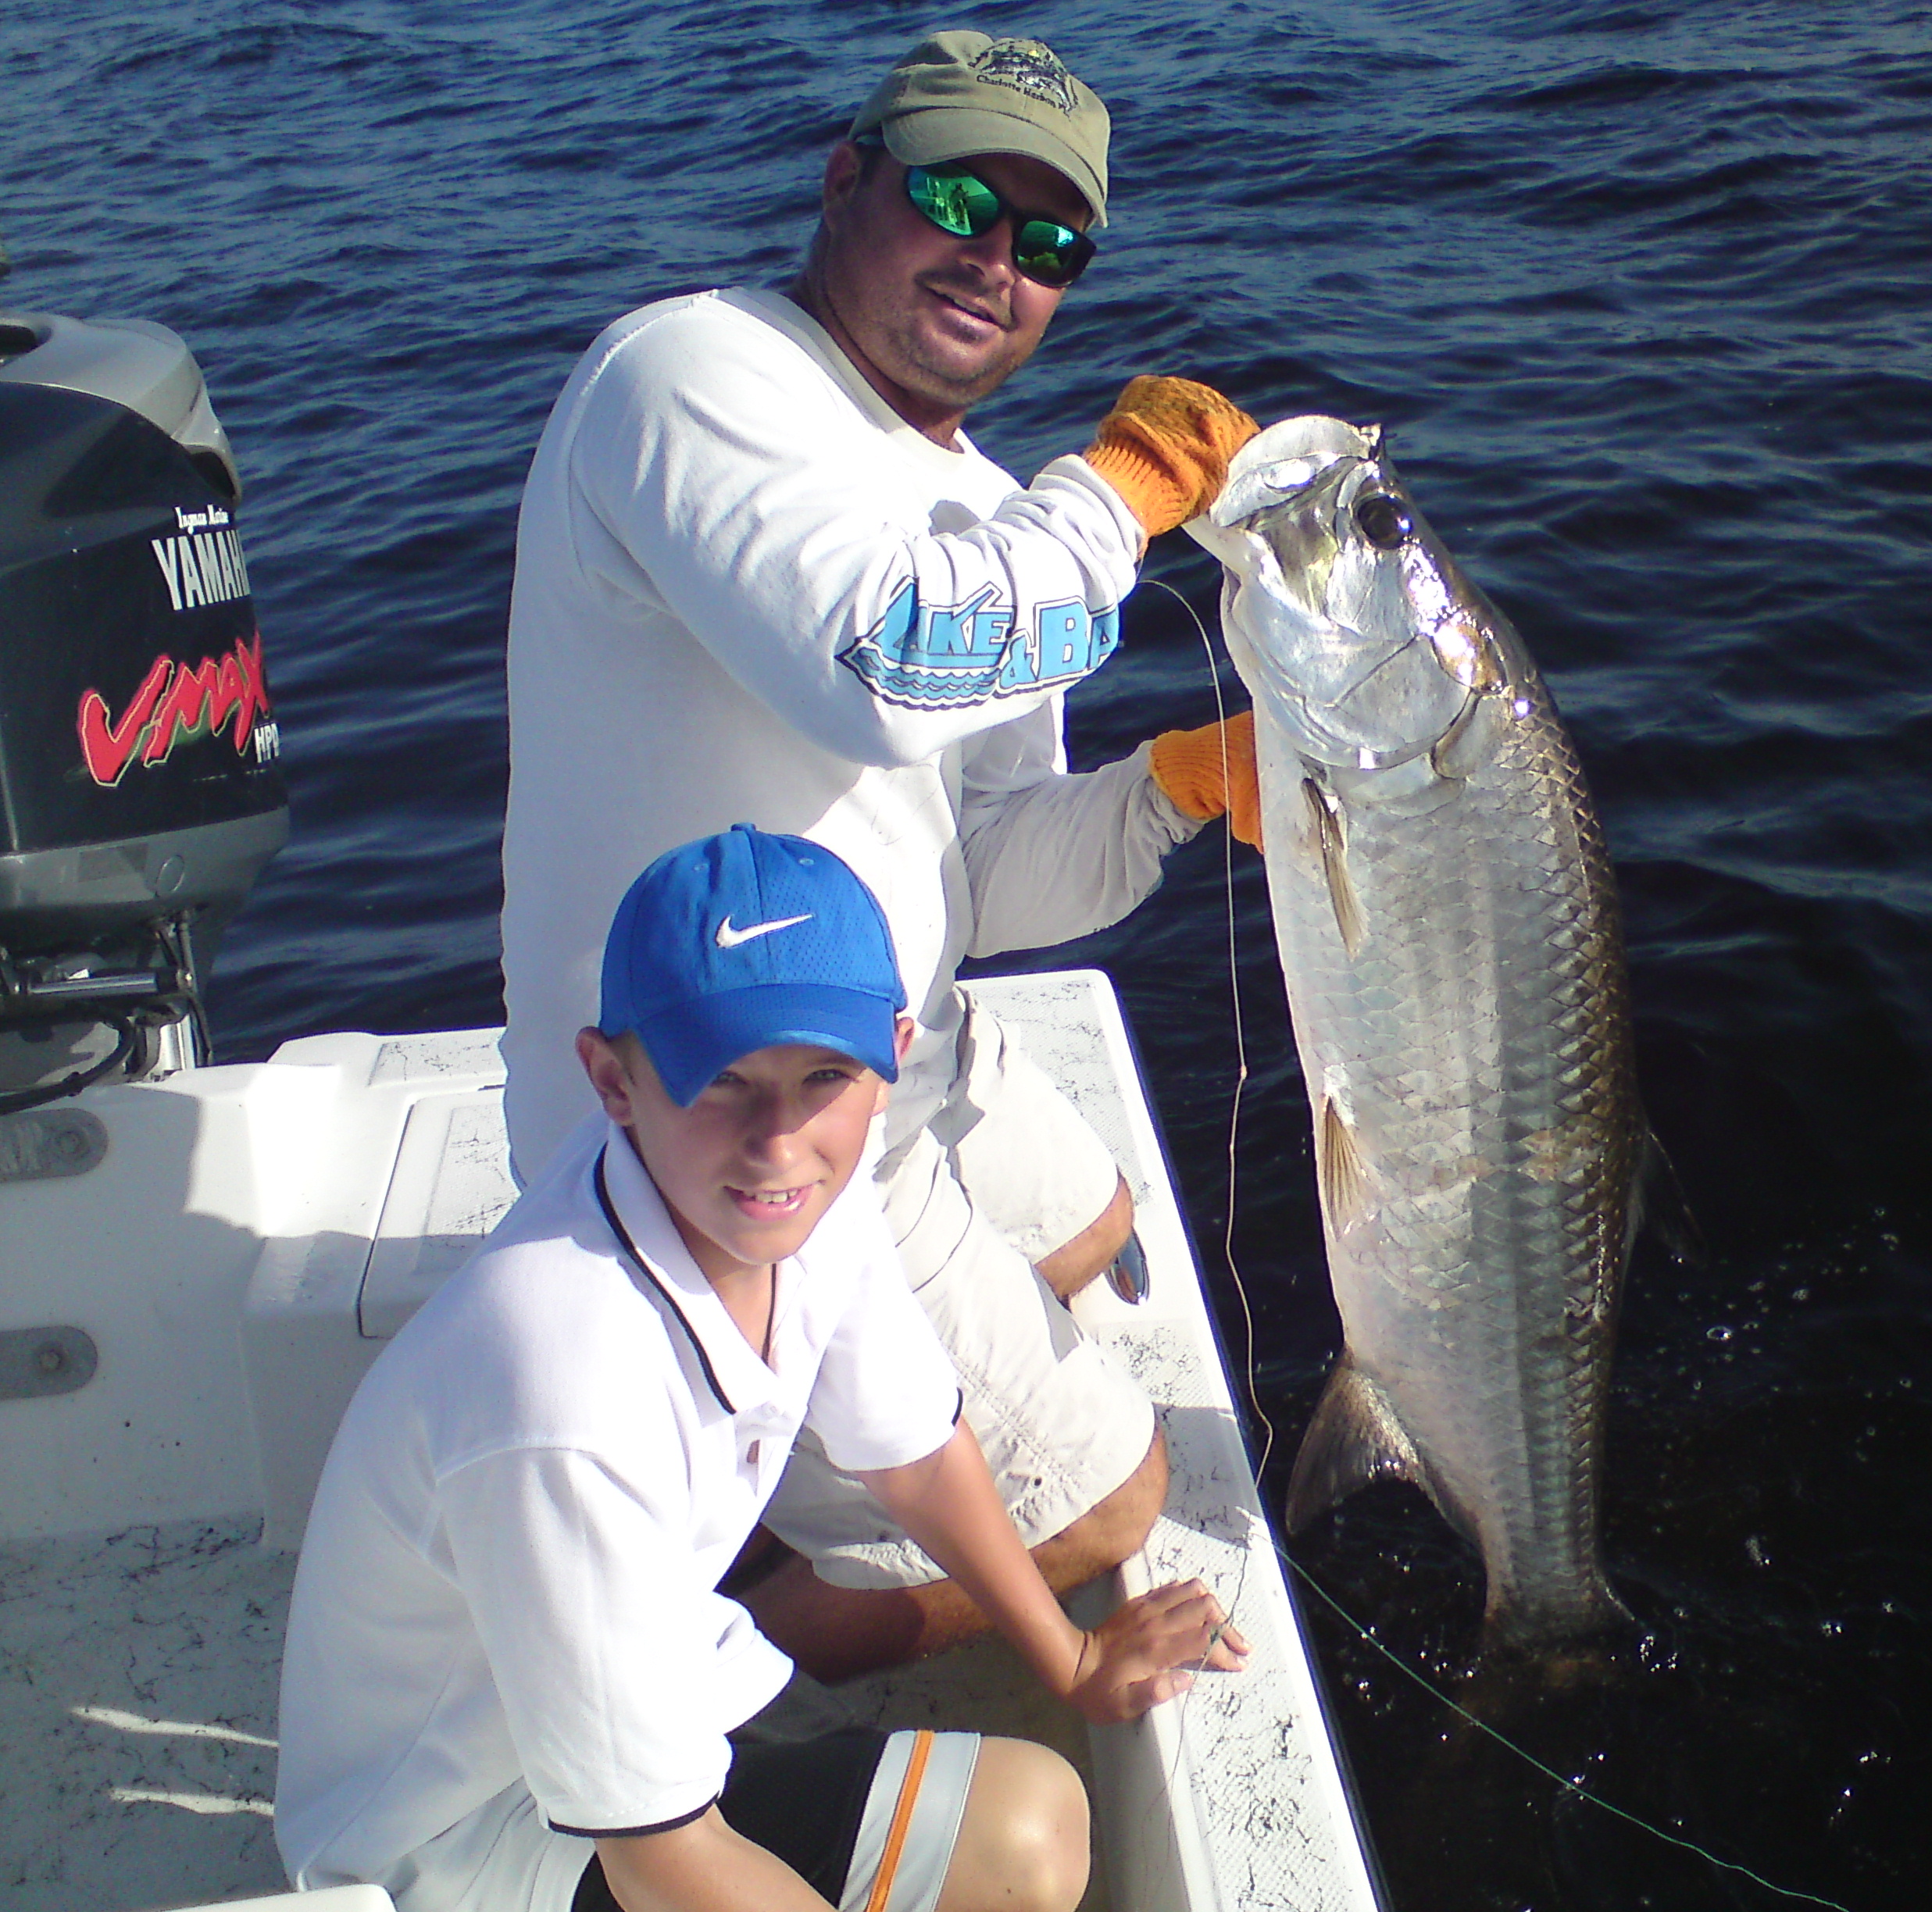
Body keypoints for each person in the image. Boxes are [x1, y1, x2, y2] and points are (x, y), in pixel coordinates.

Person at [496, 29, 1262, 1679]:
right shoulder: (688, 377)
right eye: (962, 203)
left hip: (905, 1058)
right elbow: (883, 663)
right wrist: (1117, 500)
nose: (999, 264)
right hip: (711, 1127)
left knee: (1104, 1237)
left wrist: (1185, 784)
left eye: (1051, 244)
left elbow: (983, 878)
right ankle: (778, 1596)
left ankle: (803, 1440)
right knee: (1116, 1512)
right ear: (847, 180)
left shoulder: (978, 501)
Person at [277, 825, 1247, 1912]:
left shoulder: (799, 1212)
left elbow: (918, 1458)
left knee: (1034, 1828)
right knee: (993, 1848)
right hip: (457, 1854)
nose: (778, 1140)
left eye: (822, 1074)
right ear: (611, 1078)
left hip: (633, 1705)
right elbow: (663, 1867)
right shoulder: (560, 1394)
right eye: (723, 1080)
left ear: (891, 1059)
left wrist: (1069, 1661)